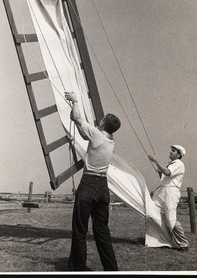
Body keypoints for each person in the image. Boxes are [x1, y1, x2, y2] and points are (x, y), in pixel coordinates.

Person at [64, 91, 121, 271]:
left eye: (102, 119)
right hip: (103, 188)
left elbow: (77, 117)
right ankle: (111, 270)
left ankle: (78, 269)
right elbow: (83, 130)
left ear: (103, 123)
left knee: (80, 229)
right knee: (102, 231)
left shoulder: (97, 135)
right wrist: (77, 120)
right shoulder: (110, 141)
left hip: (89, 184)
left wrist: (74, 101)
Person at [148, 145, 189, 251]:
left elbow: (167, 172)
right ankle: (160, 240)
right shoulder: (171, 164)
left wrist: (156, 161)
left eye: (173, 151)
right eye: (171, 150)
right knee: (152, 212)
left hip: (171, 192)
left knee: (171, 218)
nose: (170, 152)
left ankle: (183, 243)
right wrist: (158, 168)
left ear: (179, 154)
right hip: (162, 190)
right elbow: (163, 177)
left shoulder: (179, 164)